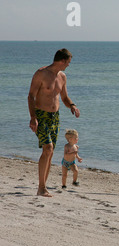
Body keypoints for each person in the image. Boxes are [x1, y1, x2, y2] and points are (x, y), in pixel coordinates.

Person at [28, 48, 80, 197]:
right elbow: (31, 96)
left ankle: (42, 186)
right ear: (62, 61)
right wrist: (33, 117)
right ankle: (41, 187)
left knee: (50, 153)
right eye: (68, 62)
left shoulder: (62, 77)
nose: (68, 65)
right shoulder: (41, 74)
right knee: (48, 148)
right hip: (41, 115)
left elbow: (64, 98)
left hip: (55, 117)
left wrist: (72, 105)